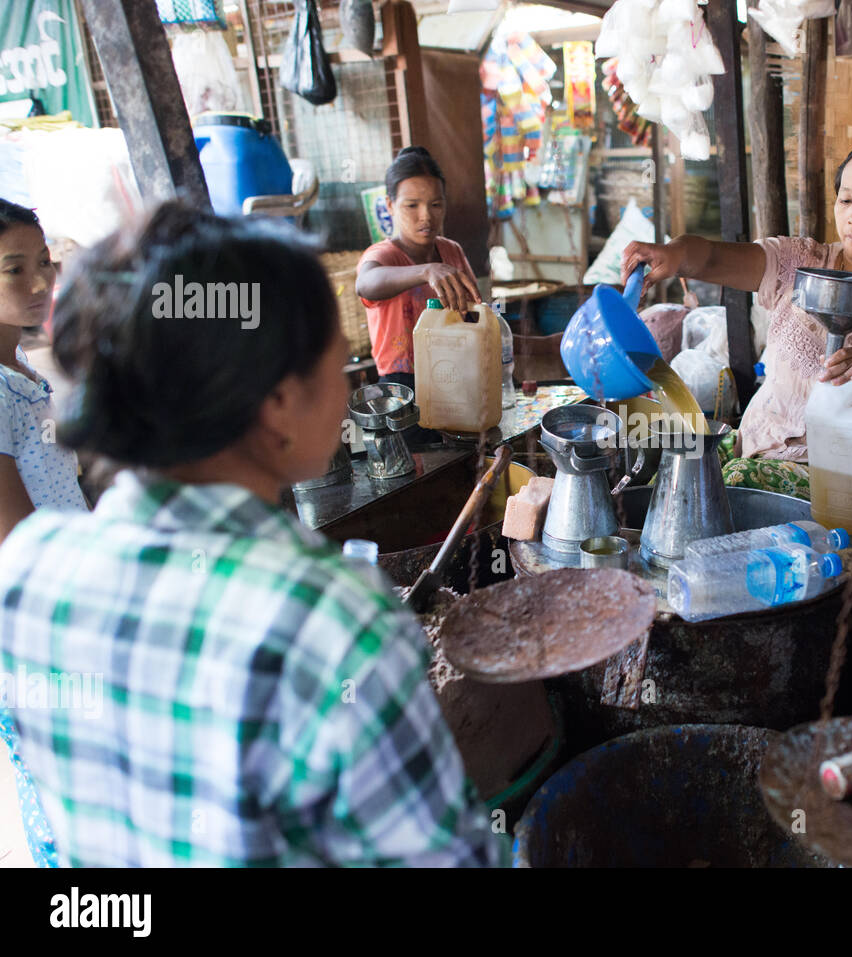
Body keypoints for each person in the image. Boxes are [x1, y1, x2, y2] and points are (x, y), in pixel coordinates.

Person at [0, 203, 502, 867]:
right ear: (277, 401)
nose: (347, 377)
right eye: (332, 358)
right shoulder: (333, 618)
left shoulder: (27, 570)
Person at [622, 139, 852, 499]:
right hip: (753, 448)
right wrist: (672, 254)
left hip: (846, 483)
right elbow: (708, 259)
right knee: (667, 483)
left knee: (721, 492)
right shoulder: (798, 264)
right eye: (845, 200)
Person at [0, 199, 87, 868]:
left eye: (44, 266)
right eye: (13, 270)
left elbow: (69, 481)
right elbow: (14, 538)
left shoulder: (26, 375)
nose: (38, 285)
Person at [355, 147, 481, 391]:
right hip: (402, 388)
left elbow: (475, 319)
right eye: (412, 206)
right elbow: (366, 283)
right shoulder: (384, 255)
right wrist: (426, 271)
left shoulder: (451, 251)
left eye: (435, 204)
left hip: (455, 374)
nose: (426, 217)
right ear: (390, 205)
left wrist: (540, 345)